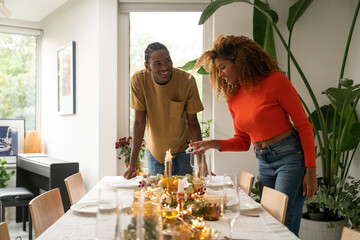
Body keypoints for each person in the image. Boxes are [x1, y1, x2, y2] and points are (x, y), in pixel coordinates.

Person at [189, 35, 317, 236]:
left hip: (290, 159)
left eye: (222, 67)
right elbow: (243, 141)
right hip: (264, 161)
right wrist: (211, 143)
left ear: (238, 59)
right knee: (268, 224)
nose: (220, 74)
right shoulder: (234, 97)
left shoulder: (276, 81)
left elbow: (304, 126)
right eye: (217, 69)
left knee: (282, 227)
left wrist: (311, 170)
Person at [123, 42, 204, 179]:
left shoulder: (187, 81)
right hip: (155, 153)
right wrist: (132, 165)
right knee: (157, 196)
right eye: (158, 63)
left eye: (168, 60)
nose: (165, 67)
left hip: (183, 151)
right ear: (147, 66)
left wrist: (201, 162)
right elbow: (138, 123)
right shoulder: (139, 81)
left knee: (186, 196)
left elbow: (193, 123)